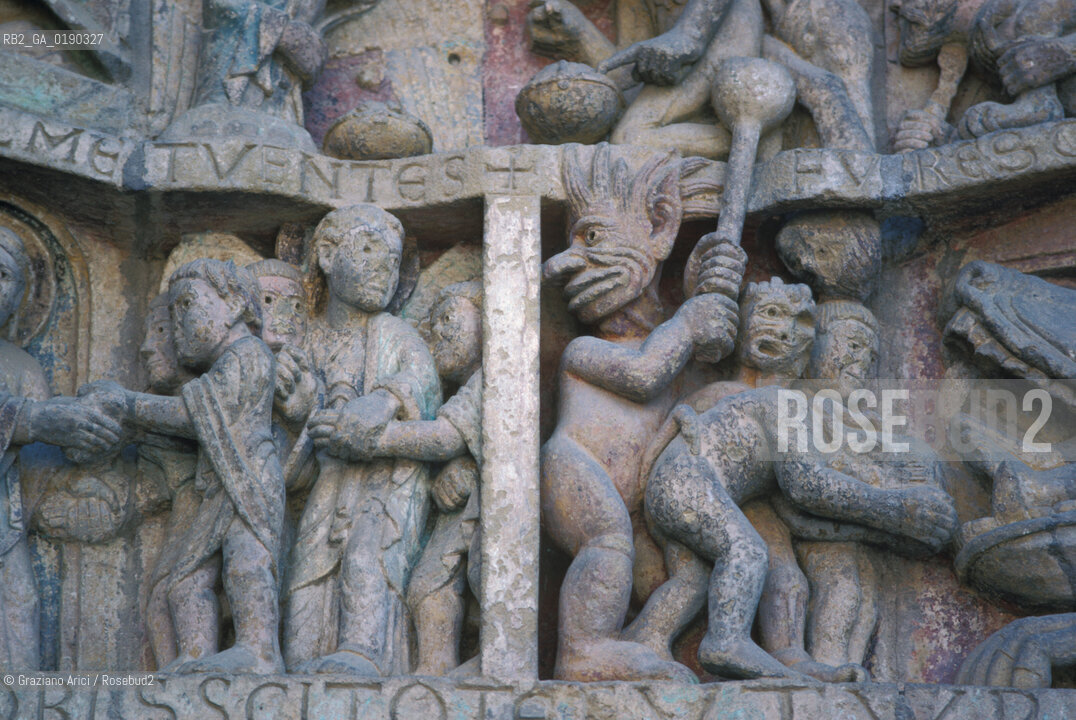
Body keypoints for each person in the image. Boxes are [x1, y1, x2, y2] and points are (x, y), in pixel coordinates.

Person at [81, 259, 285, 674]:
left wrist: (128, 403)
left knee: (246, 564)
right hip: (217, 483)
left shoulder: (250, 355)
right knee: (185, 580)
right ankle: (195, 656)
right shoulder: (220, 367)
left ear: (234, 306)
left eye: (188, 304)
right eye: (173, 312)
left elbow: (195, 417)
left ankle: (260, 651)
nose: (179, 323)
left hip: (250, 478)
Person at [281, 204, 441, 676]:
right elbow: (296, 432)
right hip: (326, 483)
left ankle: (363, 652)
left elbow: (420, 380)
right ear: (328, 255)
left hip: (384, 479)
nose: (383, 269)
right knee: (307, 570)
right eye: (369, 250)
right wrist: (298, 411)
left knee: (366, 556)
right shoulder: (306, 340)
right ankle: (301, 660)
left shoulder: (393, 331)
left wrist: (383, 401)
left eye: (393, 261)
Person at [0, 227, 125, 670]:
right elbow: (38, 422)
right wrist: (35, 420)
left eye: (2, 275)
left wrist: (88, 447)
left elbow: (38, 465)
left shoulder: (22, 367)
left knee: (21, 607)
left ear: (20, 297)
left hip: (6, 523)